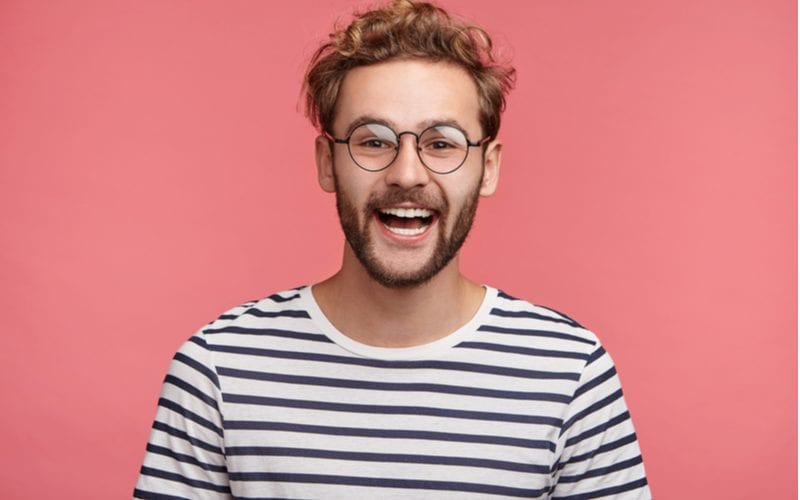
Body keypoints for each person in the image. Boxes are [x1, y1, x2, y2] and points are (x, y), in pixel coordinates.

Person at [134, 1, 651, 498]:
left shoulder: (570, 371)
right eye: (373, 140)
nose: (407, 173)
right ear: (327, 163)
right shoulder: (218, 369)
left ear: (488, 168)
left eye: (442, 142)